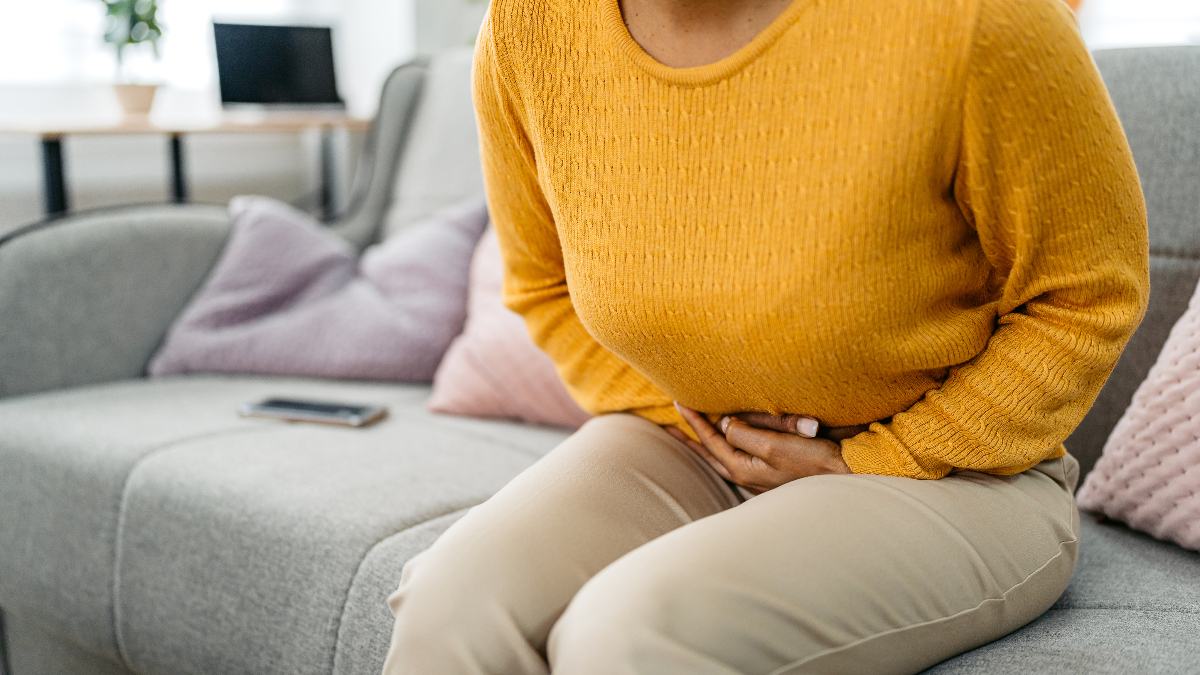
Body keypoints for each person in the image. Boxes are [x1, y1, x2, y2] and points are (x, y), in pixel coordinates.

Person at [383, 0, 1149, 671]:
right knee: (450, 609)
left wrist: (877, 457)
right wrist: (705, 430)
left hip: (957, 476)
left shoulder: (975, 18)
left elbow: (1088, 294)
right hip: (695, 440)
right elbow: (542, 284)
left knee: (626, 636)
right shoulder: (529, 24)